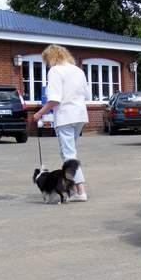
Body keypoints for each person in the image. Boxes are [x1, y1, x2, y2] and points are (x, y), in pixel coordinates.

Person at [32, 45, 92, 202]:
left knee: (68, 155)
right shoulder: (78, 71)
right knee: (70, 152)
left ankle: (80, 191)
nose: (47, 64)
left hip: (65, 116)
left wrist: (39, 113)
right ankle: (72, 188)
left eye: (46, 60)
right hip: (80, 115)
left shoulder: (55, 71)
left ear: (51, 58)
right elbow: (87, 95)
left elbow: (54, 99)